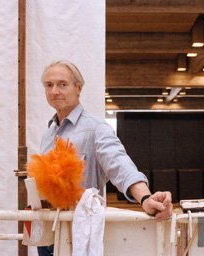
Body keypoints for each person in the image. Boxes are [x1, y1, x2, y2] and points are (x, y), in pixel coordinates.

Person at [37, 60, 173, 255]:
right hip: (48, 234)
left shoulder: (96, 128)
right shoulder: (48, 135)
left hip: (80, 238)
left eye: (62, 84)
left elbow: (119, 164)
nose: (54, 91)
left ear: (78, 88)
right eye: (49, 85)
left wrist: (145, 198)